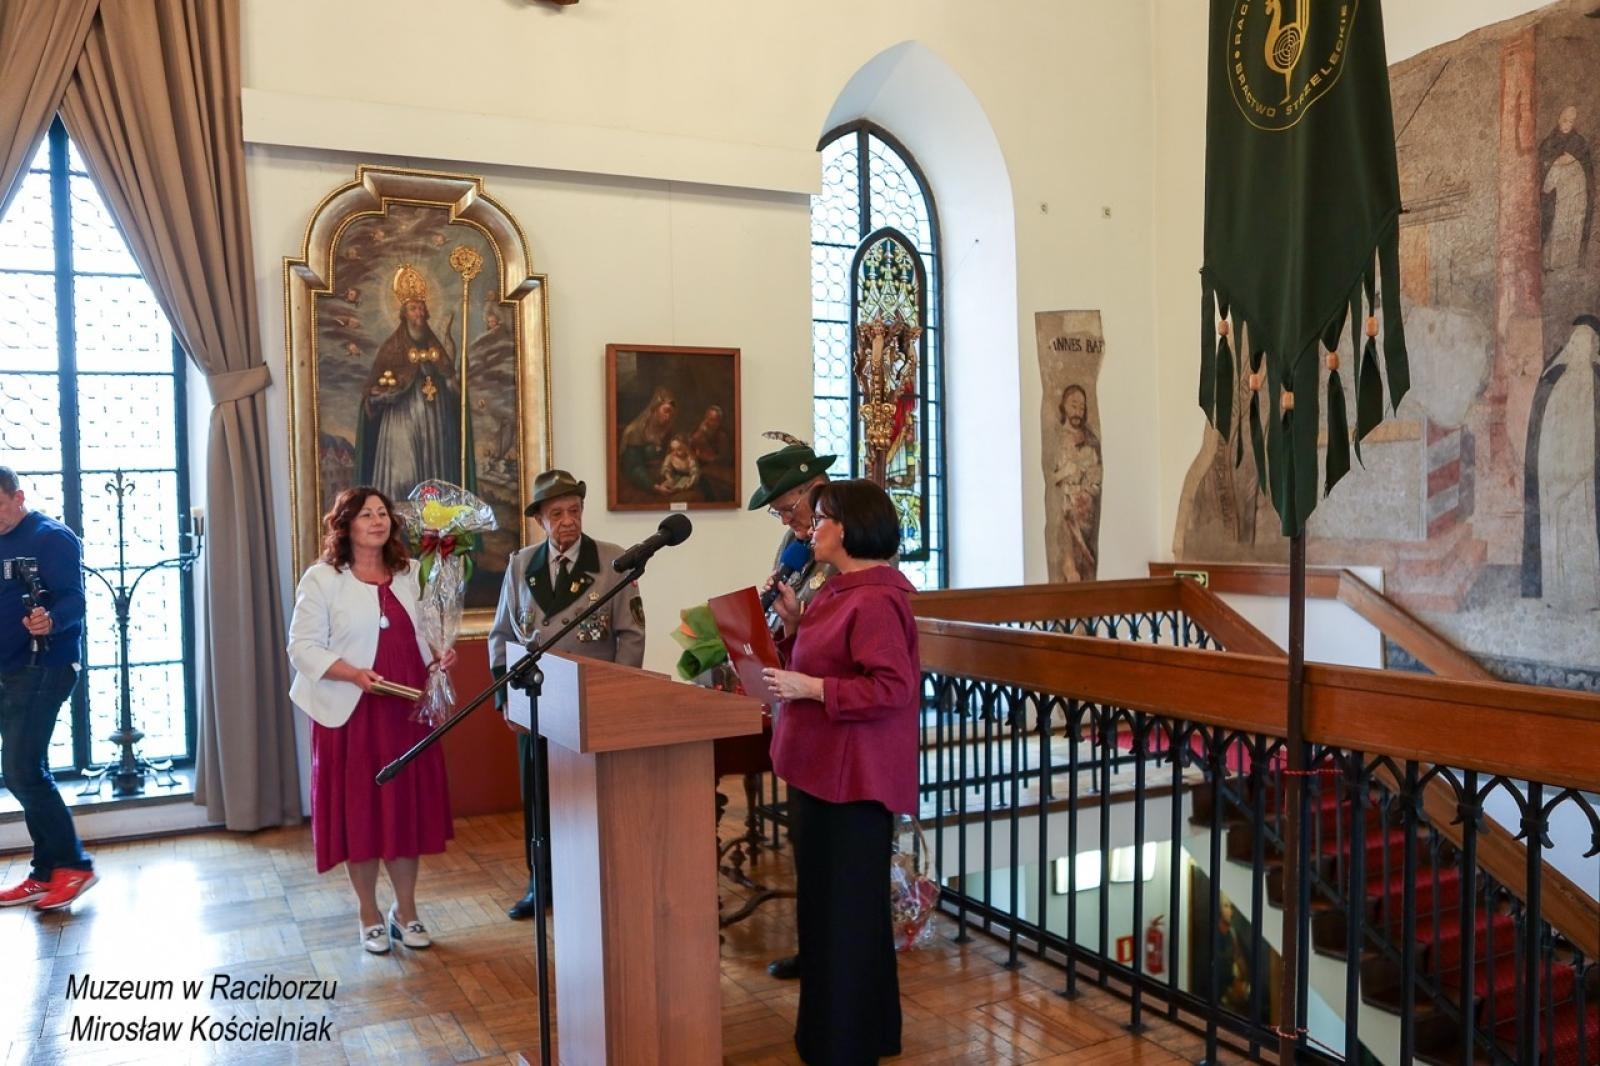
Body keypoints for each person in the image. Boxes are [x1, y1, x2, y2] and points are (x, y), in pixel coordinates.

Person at [762, 479, 919, 1064]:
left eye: (822, 519)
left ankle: (843, 1045)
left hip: (850, 783)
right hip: (822, 770)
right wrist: (798, 626)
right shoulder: (838, 588)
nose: (811, 528)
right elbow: (832, 654)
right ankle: (867, 1029)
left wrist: (811, 687)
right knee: (841, 910)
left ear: (848, 529)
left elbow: (891, 687)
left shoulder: (875, 597)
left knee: (844, 915)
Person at [287, 486, 455, 954]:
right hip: (350, 713)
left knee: (404, 814)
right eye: (366, 515)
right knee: (359, 815)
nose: (377, 521)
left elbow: (422, 631)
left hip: (407, 712)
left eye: (382, 514)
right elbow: (300, 648)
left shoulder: (405, 575)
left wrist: (439, 654)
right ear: (346, 526)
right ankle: (368, 914)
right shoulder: (322, 579)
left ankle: (407, 910)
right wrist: (353, 675)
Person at [488, 469, 645, 919]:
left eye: (574, 510)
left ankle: (595, 883)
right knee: (538, 799)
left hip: (590, 703)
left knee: (590, 799)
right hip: (536, 704)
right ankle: (541, 884)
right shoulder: (521, 565)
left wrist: (614, 697)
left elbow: (630, 635)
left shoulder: (615, 562)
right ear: (540, 519)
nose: (567, 521)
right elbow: (501, 634)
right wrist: (505, 699)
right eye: (556, 513)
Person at [744, 436, 838, 980]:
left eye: (788, 507)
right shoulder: (792, 544)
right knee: (808, 845)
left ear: (813, 488)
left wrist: (802, 623)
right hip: (797, 704)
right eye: (780, 511)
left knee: (835, 854)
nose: (786, 519)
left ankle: (834, 954)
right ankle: (813, 948)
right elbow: (794, 616)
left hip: (835, 711)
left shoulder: (851, 537)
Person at [0, 467, 95, 911]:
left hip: (46, 667)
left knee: (21, 772)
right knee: (27, 770)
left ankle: (74, 866)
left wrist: (50, 620)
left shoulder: (52, 537)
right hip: (9, 670)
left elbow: (74, 599)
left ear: (18, 496)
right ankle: (45, 873)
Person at [356, 264, 472, 501]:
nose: (418, 313)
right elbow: (371, 389)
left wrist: (457, 391)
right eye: (412, 308)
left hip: (435, 422)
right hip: (401, 418)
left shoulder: (435, 343)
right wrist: (382, 394)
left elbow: (449, 376)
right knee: (404, 471)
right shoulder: (392, 346)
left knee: (434, 470)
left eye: (420, 308)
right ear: (403, 313)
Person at [1050, 383, 1103, 582]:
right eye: (1073, 405)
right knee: (1071, 563)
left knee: (1087, 561)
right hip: (1068, 510)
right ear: (1063, 405)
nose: (1078, 412)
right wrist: (1067, 471)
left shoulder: (1091, 439)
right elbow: (1050, 478)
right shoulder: (1058, 439)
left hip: (1087, 510)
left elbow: (1096, 473)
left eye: (1081, 407)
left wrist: (1090, 487)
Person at [618, 385, 678, 497]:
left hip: (664, 481)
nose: (668, 416)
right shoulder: (635, 431)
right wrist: (655, 487)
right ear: (655, 408)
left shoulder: (668, 432)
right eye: (666, 411)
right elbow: (634, 468)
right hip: (642, 484)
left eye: (671, 413)